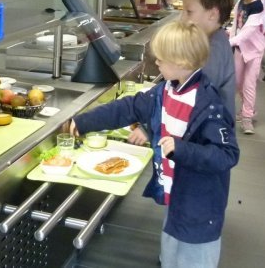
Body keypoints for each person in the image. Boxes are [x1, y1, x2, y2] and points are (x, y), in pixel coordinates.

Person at [70, 20, 239, 268]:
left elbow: (227, 154)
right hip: (177, 194)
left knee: (195, 256)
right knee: (171, 251)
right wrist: (83, 122)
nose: (156, 62)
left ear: (182, 63)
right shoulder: (165, 92)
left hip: (201, 204)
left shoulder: (209, 105)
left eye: (161, 59)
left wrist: (182, 150)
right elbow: (128, 107)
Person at [126, 0, 235, 146]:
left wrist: (149, 127)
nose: (182, 18)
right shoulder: (208, 41)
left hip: (205, 141)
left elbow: (191, 101)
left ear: (212, 14)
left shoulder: (212, 51)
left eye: (189, 12)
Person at [229, 0, 265, 134]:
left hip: (253, 51)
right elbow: (235, 25)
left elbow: (247, 31)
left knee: (249, 84)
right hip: (239, 48)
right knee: (238, 83)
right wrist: (229, 36)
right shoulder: (240, 2)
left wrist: (230, 42)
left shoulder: (258, 6)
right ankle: (249, 109)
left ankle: (247, 118)